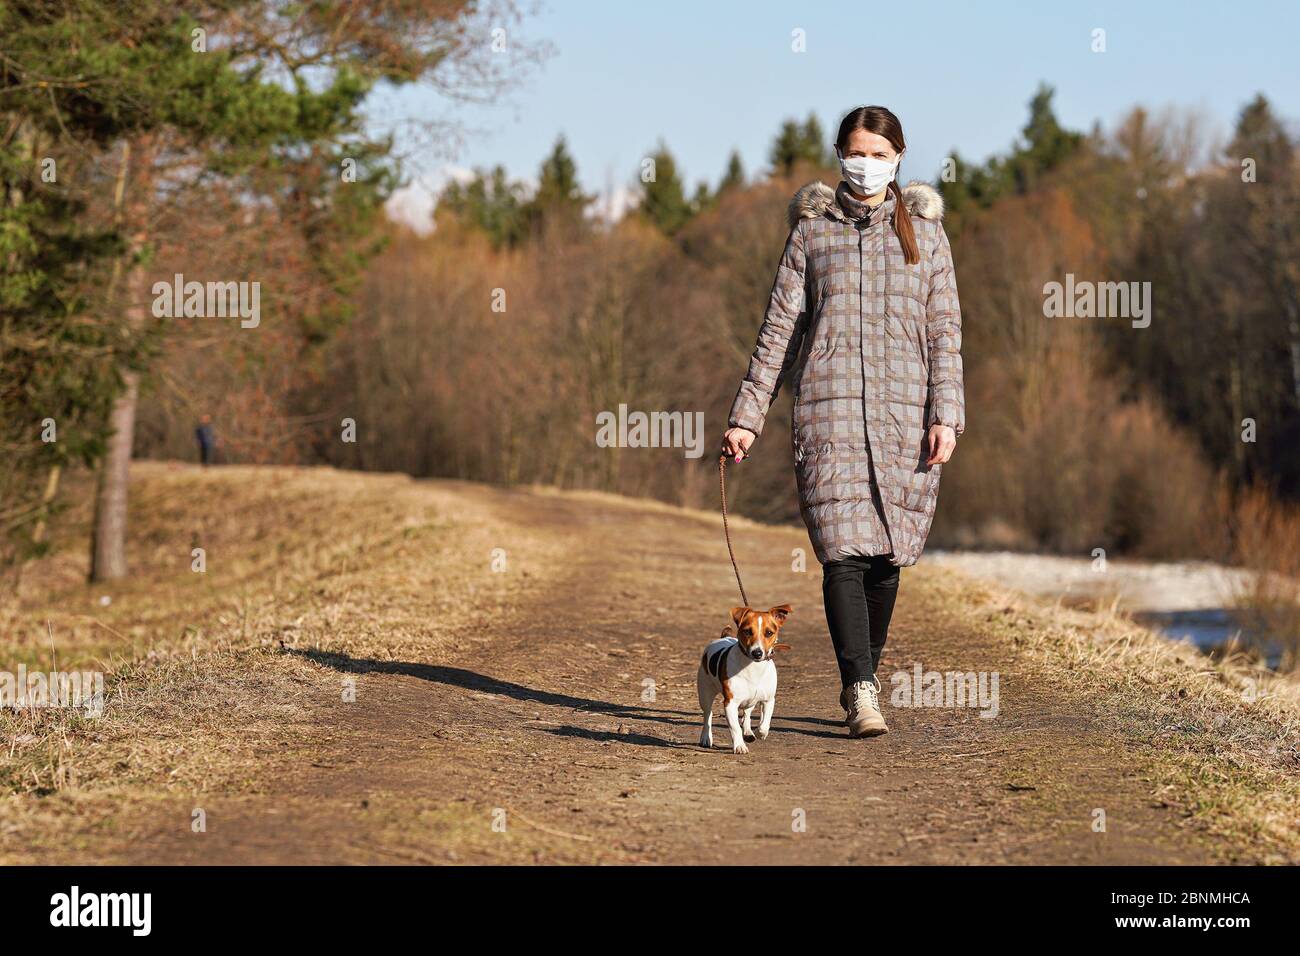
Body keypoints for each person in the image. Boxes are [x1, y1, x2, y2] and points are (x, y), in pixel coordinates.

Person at [721, 105, 965, 739]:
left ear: (899, 159)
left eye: (880, 155)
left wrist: (947, 416)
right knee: (842, 555)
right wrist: (747, 416)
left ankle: (863, 680)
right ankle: (861, 691)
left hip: (907, 418)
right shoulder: (811, 233)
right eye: (857, 153)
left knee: (887, 559)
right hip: (828, 417)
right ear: (839, 155)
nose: (868, 164)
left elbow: (945, 333)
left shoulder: (928, 236)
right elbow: (779, 329)